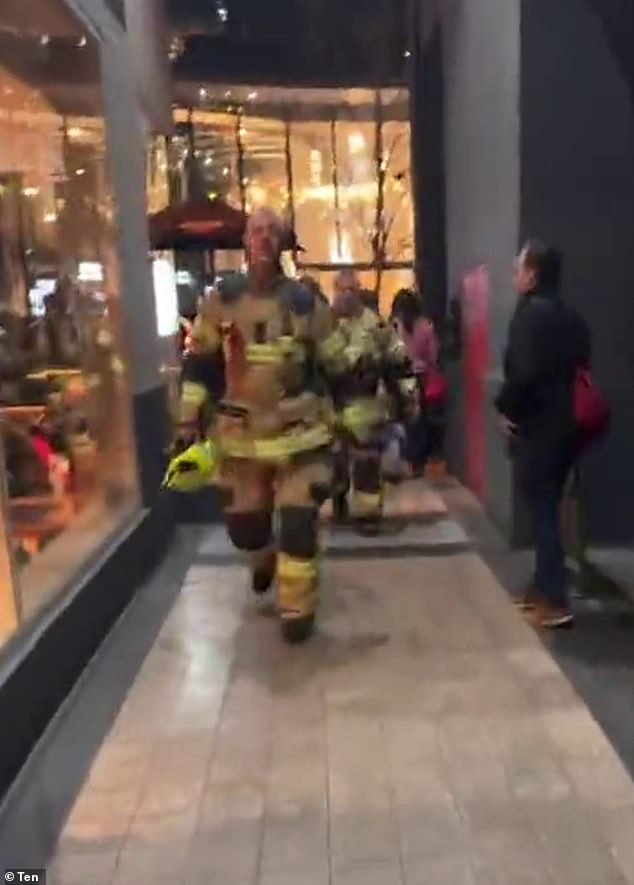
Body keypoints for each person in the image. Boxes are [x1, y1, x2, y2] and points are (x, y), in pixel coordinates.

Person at [176, 208, 349, 644]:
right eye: (256, 230)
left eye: (272, 232)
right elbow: (199, 362)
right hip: (242, 439)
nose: (264, 238)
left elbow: (338, 365)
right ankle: (262, 557)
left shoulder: (306, 302)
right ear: (245, 240)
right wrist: (186, 420)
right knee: (245, 529)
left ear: (283, 242)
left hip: (300, 435)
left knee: (296, 521)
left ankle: (297, 609)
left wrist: (353, 419)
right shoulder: (221, 300)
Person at [495, 240, 590, 629]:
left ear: (532, 274)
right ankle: (542, 586)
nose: (514, 275)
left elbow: (524, 374)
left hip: (538, 427)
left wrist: (506, 409)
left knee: (545, 512)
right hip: (568, 427)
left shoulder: (529, 317)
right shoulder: (572, 318)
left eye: (518, 268)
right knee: (548, 506)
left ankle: (555, 598)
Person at [330, 271, 417, 529]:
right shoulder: (324, 324)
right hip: (331, 407)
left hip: (366, 407)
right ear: (334, 291)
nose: (346, 295)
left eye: (351, 289)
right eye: (341, 289)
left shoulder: (374, 324)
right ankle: (338, 500)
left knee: (366, 464)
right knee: (335, 464)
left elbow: (398, 357)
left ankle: (367, 516)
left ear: (359, 291)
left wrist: (408, 394)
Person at [391, 289, 440, 472]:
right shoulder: (426, 325)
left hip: (400, 376)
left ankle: (402, 460)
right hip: (422, 377)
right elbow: (433, 355)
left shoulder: (394, 326)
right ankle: (417, 461)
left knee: (402, 417)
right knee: (420, 420)